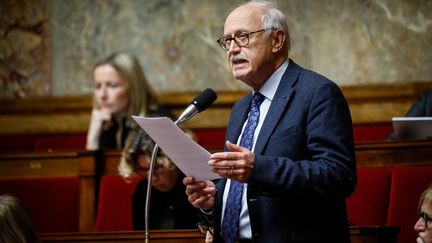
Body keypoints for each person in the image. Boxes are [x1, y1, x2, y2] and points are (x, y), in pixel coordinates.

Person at [183, 1, 357, 243]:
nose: (232, 49)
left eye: (242, 37)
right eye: (227, 41)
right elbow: (242, 192)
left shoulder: (318, 93)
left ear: (277, 40)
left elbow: (338, 176)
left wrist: (259, 168)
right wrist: (214, 202)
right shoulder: (241, 108)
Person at [119, 129, 199, 230]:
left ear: (173, 161)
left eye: (156, 168)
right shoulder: (143, 190)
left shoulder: (196, 187)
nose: (152, 178)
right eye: (143, 169)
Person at [86, 52, 158, 150]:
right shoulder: (107, 124)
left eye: (112, 85)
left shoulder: (156, 122)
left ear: (133, 88)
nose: (102, 95)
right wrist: (93, 137)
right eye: (98, 86)